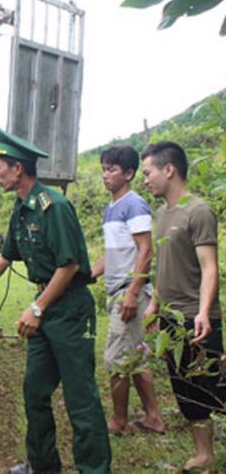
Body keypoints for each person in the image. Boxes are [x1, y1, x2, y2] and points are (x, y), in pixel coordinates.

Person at [0, 128, 111, 474]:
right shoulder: (22, 207)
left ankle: (94, 469)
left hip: (69, 308)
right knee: (35, 391)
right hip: (45, 308)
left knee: (80, 397)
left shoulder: (54, 207)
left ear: (18, 169)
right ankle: (43, 466)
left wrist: (38, 308)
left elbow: (69, 265)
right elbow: (6, 256)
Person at [141, 141, 225, 472]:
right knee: (187, 390)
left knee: (215, 386)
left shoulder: (198, 211)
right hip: (170, 318)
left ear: (169, 169)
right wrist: (154, 304)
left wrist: (203, 312)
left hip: (198, 318)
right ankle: (204, 454)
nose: (145, 180)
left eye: (148, 172)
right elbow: (165, 265)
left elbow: (209, 267)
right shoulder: (162, 214)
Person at [90, 145, 165, 436]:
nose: (105, 175)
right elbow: (112, 254)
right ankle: (153, 417)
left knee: (116, 360)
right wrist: (84, 276)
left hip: (128, 292)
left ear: (129, 174)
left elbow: (146, 251)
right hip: (118, 291)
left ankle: (119, 422)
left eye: (112, 170)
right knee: (135, 357)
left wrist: (133, 293)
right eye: (103, 169)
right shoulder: (112, 209)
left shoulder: (134, 205)